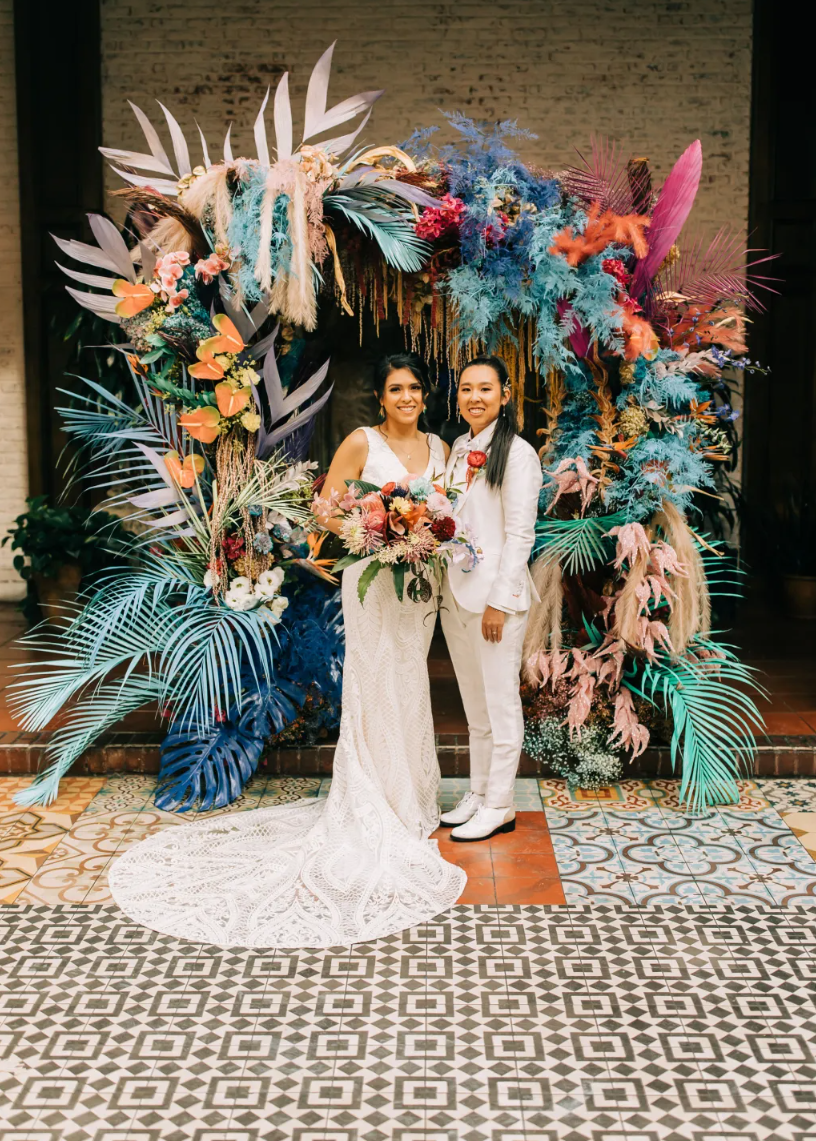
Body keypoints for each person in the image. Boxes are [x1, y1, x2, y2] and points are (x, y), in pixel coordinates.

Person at [108, 352, 466, 948]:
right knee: (374, 677)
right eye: (395, 388)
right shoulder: (360, 441)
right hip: (372, 580)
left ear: (425, 397)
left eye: (414, 389)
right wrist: (370, 526)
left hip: (418, 584)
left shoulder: (440, 447)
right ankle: (374, 798)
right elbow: (323, 509)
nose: (406, 397)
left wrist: (424, 534)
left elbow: (449, 509)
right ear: (381, 398)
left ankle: (413, 798)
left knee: (409, 677)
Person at [439, 355, 543, 842]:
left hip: (496, 601)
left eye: (485, 389)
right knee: (474, 706)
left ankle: (501, 803)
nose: (474, 397)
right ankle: (479, 793)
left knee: (501, 706)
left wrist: (501, 602)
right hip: (457, 596)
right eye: (466, 389)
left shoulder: (518, 454)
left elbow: (521, 535)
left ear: (505, 395)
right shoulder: (459, 447)